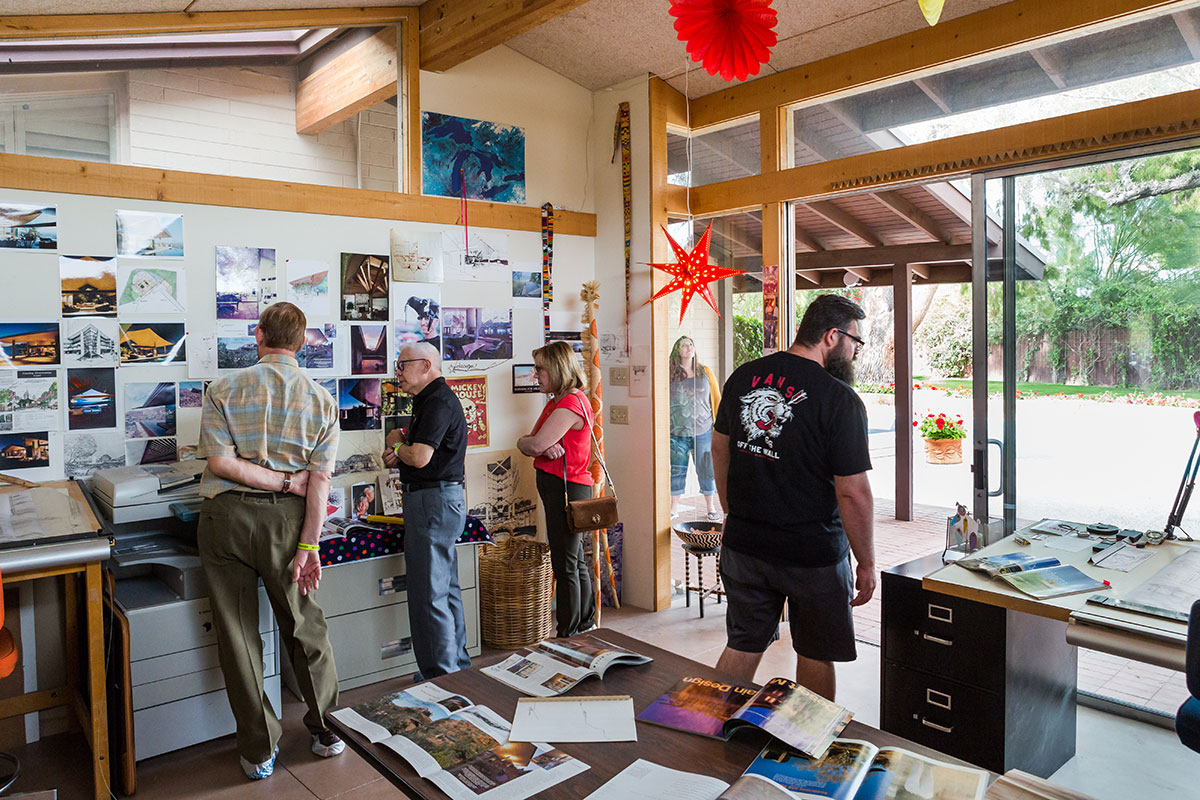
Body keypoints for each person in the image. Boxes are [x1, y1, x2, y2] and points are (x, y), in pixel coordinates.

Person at [196, 301, 343, 781]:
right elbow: (317, 484)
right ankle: (327, 730)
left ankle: (260, 750)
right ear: (302, 343)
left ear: (257, 335)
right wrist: (309, 545)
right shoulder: (322, 400)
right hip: (289, 524)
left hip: (227, 519)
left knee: (239, 635)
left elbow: (221, 464)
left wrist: (272, 482)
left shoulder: (223, 389)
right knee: (305, 625)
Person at [711, 293, 875, 702]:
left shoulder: (744, 377)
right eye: (855, 342)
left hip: (745, 545)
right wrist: (867, 562)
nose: (855, 351)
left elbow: (719, 448)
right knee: (816, 652)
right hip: (812, 554)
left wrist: (733, 511)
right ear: (832, 336)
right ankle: (806, 747)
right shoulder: (840, 400)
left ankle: (706, 727)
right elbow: (852, 492)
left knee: (743, 642)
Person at [382, 341, 470, 677]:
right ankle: (457, 669)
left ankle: (440, 676)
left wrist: (396, 443)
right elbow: (415, 452)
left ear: (426, 366)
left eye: (403, 365)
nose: (398, 373)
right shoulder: (432, 401)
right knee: (445, 590)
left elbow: (419, 456)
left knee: (428, 594)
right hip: (439, 499)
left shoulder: (436, 401)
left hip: (432, 502)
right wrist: (401, 446)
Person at [516, 341, 596, 638]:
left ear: (557, 368)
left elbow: (533, 443)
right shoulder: (556, 401)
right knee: (573, 561)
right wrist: (530, 444)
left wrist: (528, 444)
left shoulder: (569, 403)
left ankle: (568, 631)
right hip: (559, 487)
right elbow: (535, 442)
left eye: (539, 369)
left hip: (567, 488)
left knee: (565, 565)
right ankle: (583, 625)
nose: (535, 375)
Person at [668, 336, 722, 521]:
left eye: (691, 344)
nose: (689, 348)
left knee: (706, 469)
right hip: (677, 433)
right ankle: (674, 507)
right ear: (677, 351)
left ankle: (710, 506)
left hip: (704, 430)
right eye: (684, 345)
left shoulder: (705, 372)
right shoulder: (669, 374)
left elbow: (716, 399)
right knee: (677, 470)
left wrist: (720, 426)